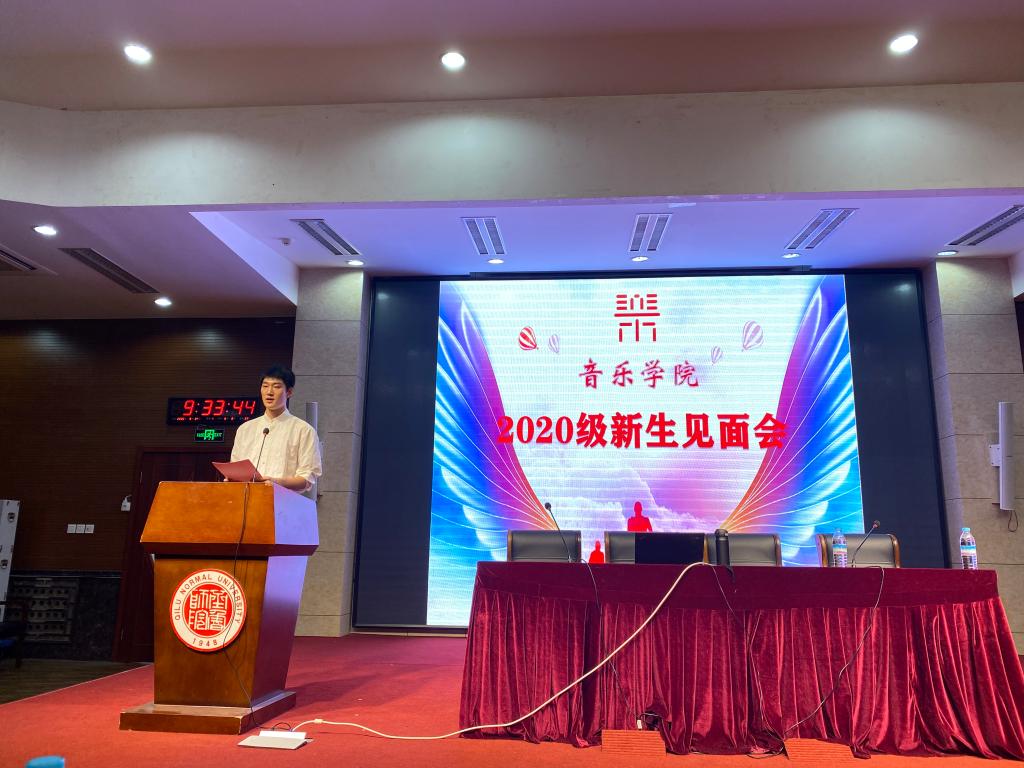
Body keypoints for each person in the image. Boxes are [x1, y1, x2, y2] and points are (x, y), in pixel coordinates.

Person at [230, 364, 322, 492]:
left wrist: (276, 482)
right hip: (246, 498)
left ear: (289, 392)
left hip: (283, 501)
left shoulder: (304, 430)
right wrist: (231, 478)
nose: (269, 392)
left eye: (277, 387)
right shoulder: (245, 429)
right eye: (265, 386)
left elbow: (307, 479)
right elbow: (235, 468)